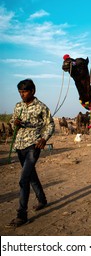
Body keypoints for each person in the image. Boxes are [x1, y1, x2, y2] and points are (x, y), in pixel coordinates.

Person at [8, 79, 55, 227]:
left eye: (25, 91)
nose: (22, 95)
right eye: (20, 92)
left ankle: (22, 215)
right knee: (31, 175)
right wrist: (13, 122)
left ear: (33, 91)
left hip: (33, 146)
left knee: (24, 179)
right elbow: (11, 120)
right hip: (19, 145)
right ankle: (42, 200)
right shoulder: (18, 106)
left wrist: (44, 138)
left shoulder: (41, 107)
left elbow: (50, 124)